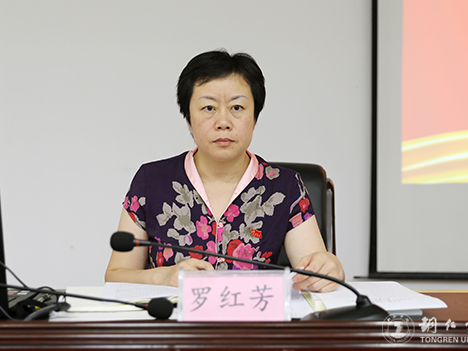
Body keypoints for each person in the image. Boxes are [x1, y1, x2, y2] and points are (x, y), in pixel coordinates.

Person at [105, 50, 344, 292]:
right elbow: (115, 277)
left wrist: (328, 270)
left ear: (254, 117)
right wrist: (164, 277)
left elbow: (315, 274)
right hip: (173, 316)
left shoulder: (285, 186)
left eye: (237, 107)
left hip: (252, 315)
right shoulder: (152, 181)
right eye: (208, 108)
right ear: (188, 120)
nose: (223, 122)